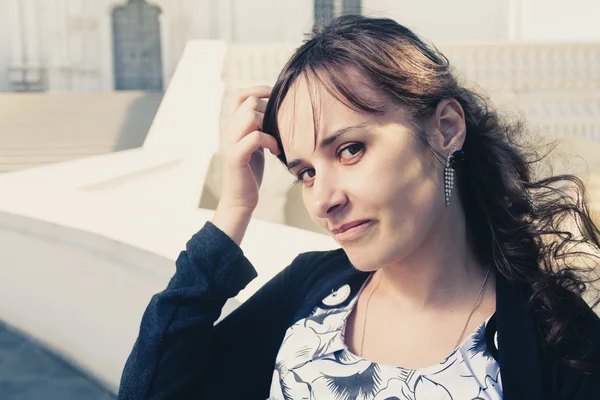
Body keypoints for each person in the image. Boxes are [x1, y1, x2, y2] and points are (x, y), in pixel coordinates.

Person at [118, 15, 600, 399]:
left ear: (446, 129)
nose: (324, 200)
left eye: (350, 150)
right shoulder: (308, 293)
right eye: (305, 172)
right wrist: (231, 213)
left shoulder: (561, 343)